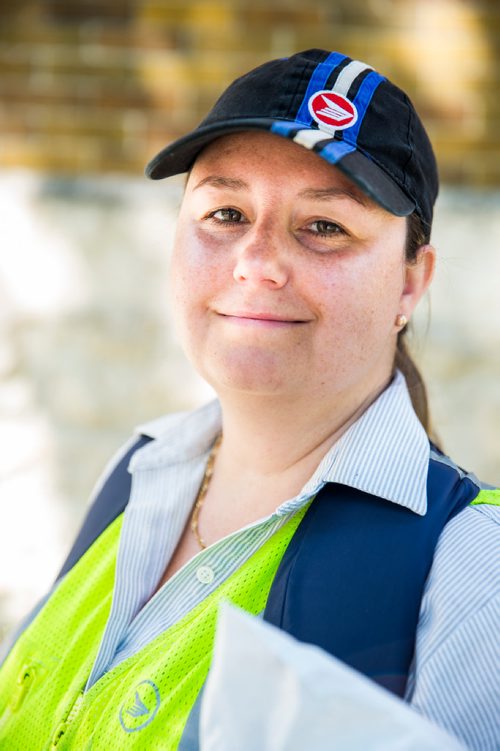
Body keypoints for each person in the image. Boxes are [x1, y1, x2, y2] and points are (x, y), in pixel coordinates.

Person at [0, 49, 498, 750]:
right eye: (226, 212)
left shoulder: (474, 567)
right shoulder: (138, 472)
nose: (257, 261)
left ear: (412, 284)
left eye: (325, 226)